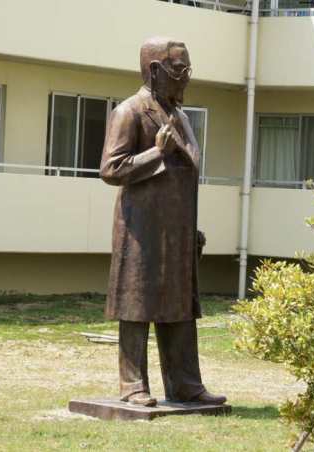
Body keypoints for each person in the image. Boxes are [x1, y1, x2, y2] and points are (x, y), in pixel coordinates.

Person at [99, 37, 226, 407]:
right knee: (136, 306)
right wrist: (156, 152)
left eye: (188, 69)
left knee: (179, 306)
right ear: (155, 70)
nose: (186, 78)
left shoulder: (181, 117)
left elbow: (185, 174)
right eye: (179, 70)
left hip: (177, 232)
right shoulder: (129, 112)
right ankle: (133, 385)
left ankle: (185, 383)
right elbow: (111, 169)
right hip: (141, 230)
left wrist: (190, 225)